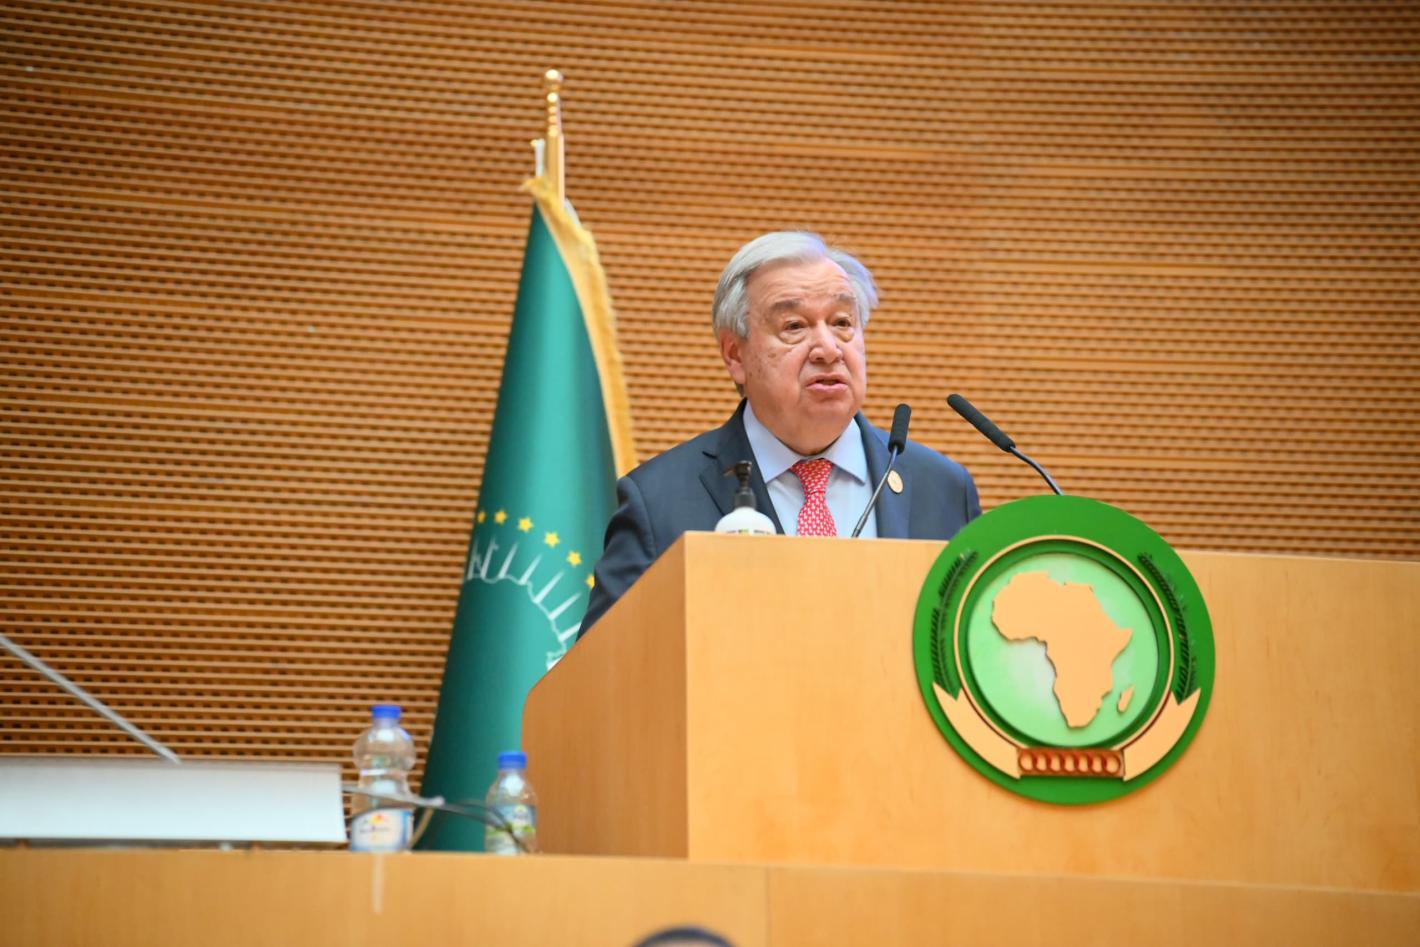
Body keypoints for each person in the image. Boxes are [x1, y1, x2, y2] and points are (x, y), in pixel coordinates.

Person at [579, 231, 980, 636]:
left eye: (842, 323)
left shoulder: (943, 490)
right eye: (794, 326)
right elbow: (604, 668)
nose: (828, 349)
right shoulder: (658, 502)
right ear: (735, 355)